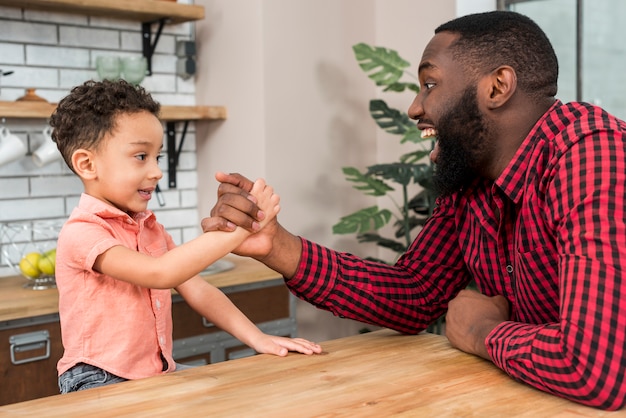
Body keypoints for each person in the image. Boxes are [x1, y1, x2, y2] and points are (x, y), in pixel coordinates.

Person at [202, 11, 626, 411]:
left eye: (430, 84)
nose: (414, 108)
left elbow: (593, 368)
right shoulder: (474, 181)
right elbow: (416, 291)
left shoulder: (589, 152)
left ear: (497, 87)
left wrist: (481, 332)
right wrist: (277, 246)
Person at [50, 79, 321, 393]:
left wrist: (257, 338)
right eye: (141, 157)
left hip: (155, 372)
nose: (156, 171)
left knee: (228, 395)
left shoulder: (151, 229)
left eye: (158, 157)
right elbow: (160, 273)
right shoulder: (82, 232)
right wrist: (244, 229)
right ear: (87, 164)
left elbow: (199, 291)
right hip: (98, 379)